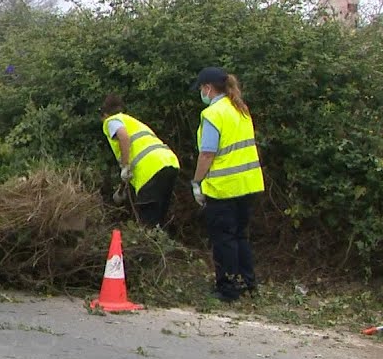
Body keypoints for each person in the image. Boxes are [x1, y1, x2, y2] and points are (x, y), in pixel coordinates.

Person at [190, 67, 265, 302]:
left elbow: (207, 154)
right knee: (240, 237)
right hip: (247, 184)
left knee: (224, 240)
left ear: (208, 88)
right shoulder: (240, 109)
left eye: (201, 89)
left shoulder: (213, 114)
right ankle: (247, 284)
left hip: (223, 187)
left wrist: (196, 182)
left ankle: (228, 289)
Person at [100, 94, 181, 227]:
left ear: (104, 114)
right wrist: (122, 188)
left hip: (151, 170)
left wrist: (125, 166)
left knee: (147, 220)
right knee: (158, 218)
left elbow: (123, 137)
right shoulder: (132, 121)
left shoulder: (111, 121)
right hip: (169, 163)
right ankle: (160, 243)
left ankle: (148, 245)